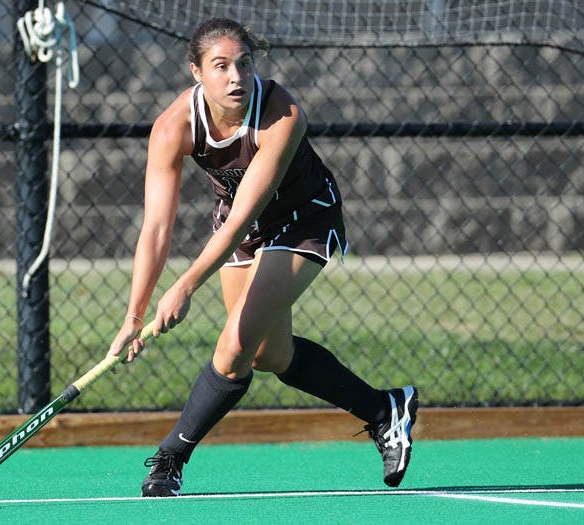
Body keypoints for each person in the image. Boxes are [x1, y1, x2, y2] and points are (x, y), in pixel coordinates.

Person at [107, 17, 418, 497]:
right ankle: (385, 410)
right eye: (220, 66)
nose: (236, 77)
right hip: (247, 229)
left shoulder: (281, 113)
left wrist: (185, 287)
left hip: (305, 219)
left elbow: (237, 219)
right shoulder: (173, 127)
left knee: (233, 349)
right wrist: (135, 313)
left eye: (243, 64)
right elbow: (156, 228)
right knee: (269, 354)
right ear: (196, 72)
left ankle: (170, 457)